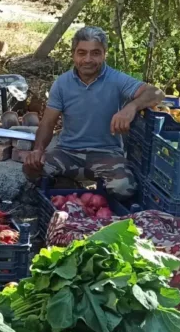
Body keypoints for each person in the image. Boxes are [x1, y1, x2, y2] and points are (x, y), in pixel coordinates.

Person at [23, 26, 165, 202]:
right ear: (73, 54)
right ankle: (68, 187)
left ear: (104, 54)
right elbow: (47, 123)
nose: (88, 59)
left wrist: (131, 107)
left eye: (95, 53)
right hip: (67, 152)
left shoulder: (116, 79)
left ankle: (100, 205)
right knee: (31, 169)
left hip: (106, 154)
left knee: (123, 188)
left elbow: (156, 93)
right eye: (82, 53)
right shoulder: (62, 83)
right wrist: (38, 150)